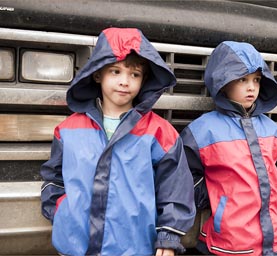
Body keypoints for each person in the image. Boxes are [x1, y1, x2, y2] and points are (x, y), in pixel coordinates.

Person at [40, 27, 196, 256]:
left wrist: (168, 236)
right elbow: (53, 178)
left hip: (134, 246)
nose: (125, 81)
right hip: (76, 246)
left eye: (135, 74)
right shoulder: (68, 130)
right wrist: (63, 216)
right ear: (97, 74)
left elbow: (175, 189)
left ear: (144, 80)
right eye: (115, 71)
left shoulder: (160, 133)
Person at [181, 41, 277, 255]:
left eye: (256, 80)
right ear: (223, 81)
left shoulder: (271, 129)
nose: (251, 87)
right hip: (229, 240)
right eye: (242, 79)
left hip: (274, 236)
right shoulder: (204, 130)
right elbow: (185, 174)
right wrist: (214, 197)